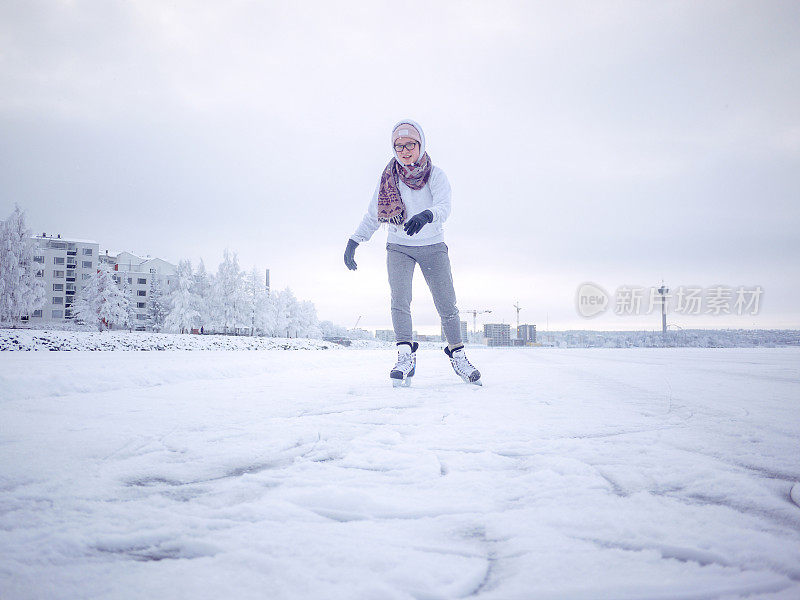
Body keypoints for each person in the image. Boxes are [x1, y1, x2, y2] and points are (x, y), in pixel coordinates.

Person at [344, 119, 481, 387]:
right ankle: (405, 356)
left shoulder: (436, 175)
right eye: (399, 146)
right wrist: (354, 241)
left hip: (432, 246)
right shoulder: (388, 179)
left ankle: (459, 355)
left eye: (410, 145)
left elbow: (444, 206)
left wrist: (427, 215)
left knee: (446, 304)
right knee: (400, 300)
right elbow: (373, 215)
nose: (405, 151)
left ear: (421, 144)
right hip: (399, 246)